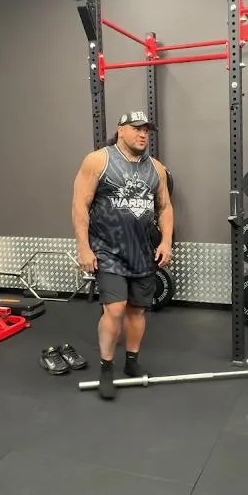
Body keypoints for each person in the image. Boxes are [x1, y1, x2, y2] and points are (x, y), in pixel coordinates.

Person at [72, 111, 174, 400]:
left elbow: (165, 207)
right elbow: (80, 204)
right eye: (137, 128)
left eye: (147, 130)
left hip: (142, 250)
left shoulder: (156, 168)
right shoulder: (98, 161)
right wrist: (83, 247)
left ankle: (131, 361)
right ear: (121, 130)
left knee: (137, 310)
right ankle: (106, 367)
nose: (143, 134)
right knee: (115, 309)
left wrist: (166, 242)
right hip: (108, 249)